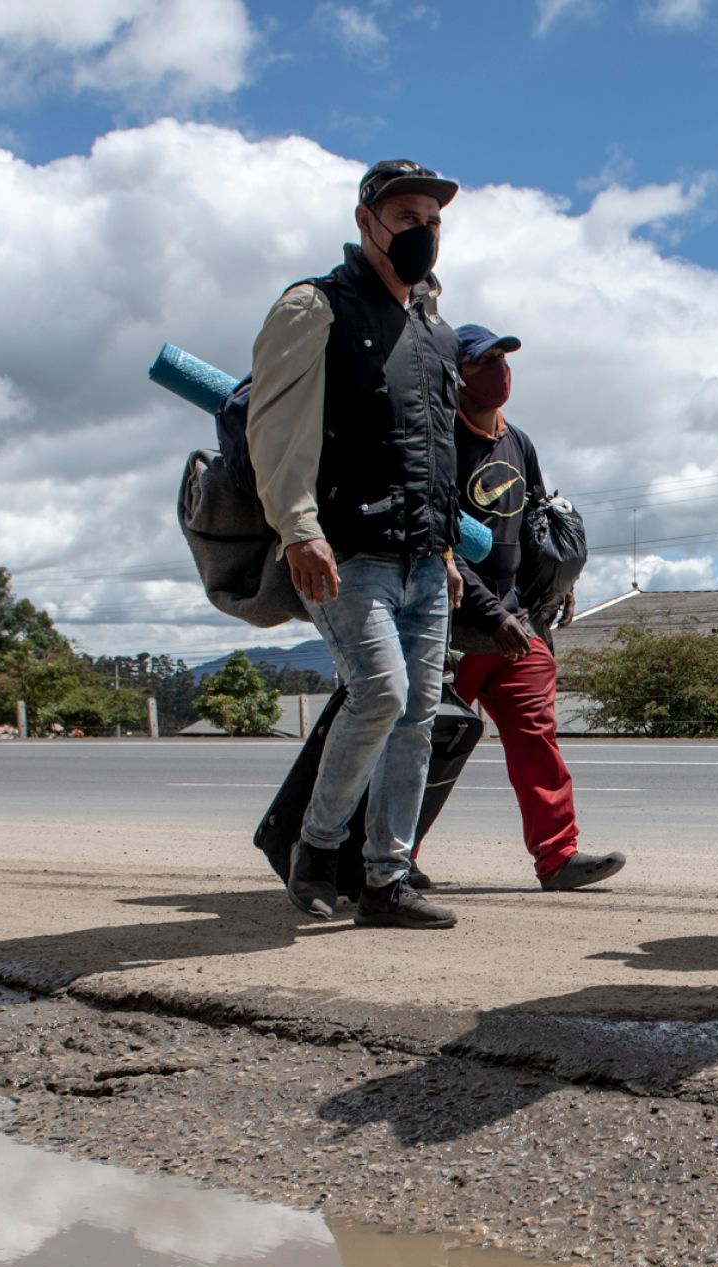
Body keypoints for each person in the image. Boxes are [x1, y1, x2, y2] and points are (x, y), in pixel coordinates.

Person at [248, 158, 468, 930]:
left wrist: (444, 549)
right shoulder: (318, 307)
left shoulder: (432, 330)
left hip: (422, 558)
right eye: (407, 218)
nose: (424, 231)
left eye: (433, 220)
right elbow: (275, 425)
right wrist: (299, 527)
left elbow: (435, 451)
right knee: (382, 693)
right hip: (348, 549)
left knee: (418, 718)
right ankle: (314, 849)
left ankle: (386, 880)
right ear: (366, 221)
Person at [445, 322, 629, 892]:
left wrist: (556, 582)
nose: (499, 372)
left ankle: (557, 857)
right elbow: (436, 542)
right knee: (426, 743)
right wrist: (489, 613)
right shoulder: (437, 443)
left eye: (503, 359)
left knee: (536, 738)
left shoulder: (518, 442)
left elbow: (536, 520)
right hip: (452, 627)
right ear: (456, 375)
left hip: (517, 621)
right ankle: (391, 857)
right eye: (483, 363)